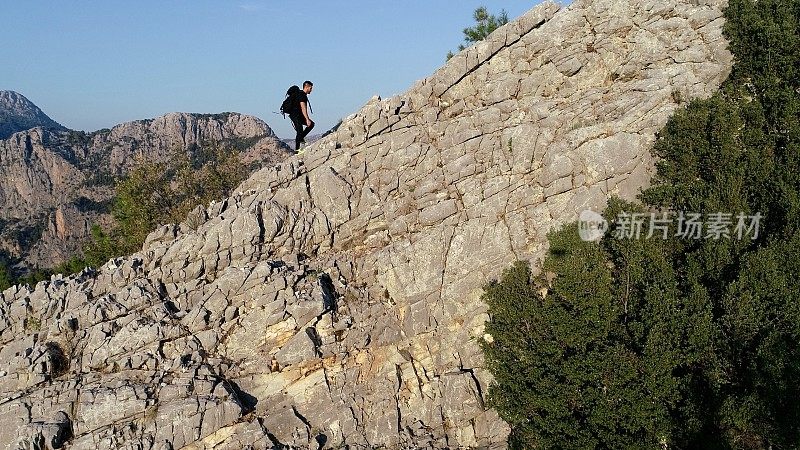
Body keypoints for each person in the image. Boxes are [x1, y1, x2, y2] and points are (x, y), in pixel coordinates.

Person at [289, 81, 315, 151]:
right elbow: (303, 107)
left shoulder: (301, 94)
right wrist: (307, 119)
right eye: (311, 88)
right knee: (300, 131)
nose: (311, 90)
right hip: (295, 115)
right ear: (307, 87)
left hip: (297, 115)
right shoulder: (302, 95)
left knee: (311, 125)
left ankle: (300, 138)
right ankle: (297, 150)